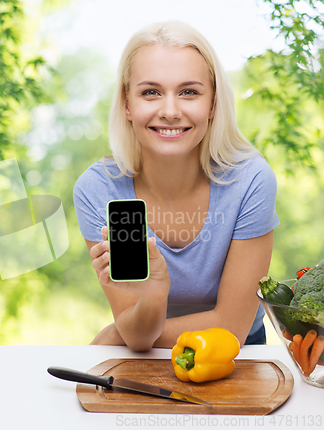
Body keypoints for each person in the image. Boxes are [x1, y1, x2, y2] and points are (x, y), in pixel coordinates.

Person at [73, 21, 279, 351]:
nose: (170, 111)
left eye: (189, 92)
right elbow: (137, 334)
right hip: (143, 356)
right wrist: (154, 294)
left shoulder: (251, 181)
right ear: (127, 104)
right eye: (150, 92)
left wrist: (118, 335)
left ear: (213, 104)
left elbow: (231, 329)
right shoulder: (98, 190)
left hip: (237, 356)